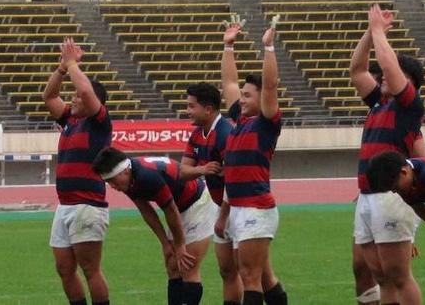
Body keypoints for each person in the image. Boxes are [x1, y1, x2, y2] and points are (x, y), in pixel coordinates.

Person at [350, 3, 425, 305]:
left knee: (398, 276)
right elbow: (356, 69)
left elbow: (390, 68)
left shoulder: (408, 106)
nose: (381, 75)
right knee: (379, 275)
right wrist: (370, 33)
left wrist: (380, 32)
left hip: (390, 197)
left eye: (390, 73)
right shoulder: (379, 104)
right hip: (368, 195)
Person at [219, 17, 288, 305]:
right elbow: (229, 83)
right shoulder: (241, 120)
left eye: (248, 96)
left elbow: (270, 86)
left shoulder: (265, 123)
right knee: (261, 276)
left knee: (249, 276)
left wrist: (269, 49)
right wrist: (228, 46)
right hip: (239, 208)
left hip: (255, 209)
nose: (242, 99)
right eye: (243, 96)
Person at [93, 147, 213, 305]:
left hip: (197, 202)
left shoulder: (146, 176)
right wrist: (165, 243)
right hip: (179, 208)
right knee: (172, 265)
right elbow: (146, 210)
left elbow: (170, 210)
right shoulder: (129, 180)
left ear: (125, 171)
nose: (112, 186)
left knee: (187, 266)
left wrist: (180, 245)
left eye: (112, 180)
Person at [43, 37, 113, 305]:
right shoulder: (71, 121)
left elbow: (84, 91)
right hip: (66, 205)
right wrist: (62, 68)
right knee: (64, 268)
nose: (72, 99)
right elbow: (48, 96)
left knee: (90, 269)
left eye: (76, 97)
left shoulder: (99, 123)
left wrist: (73, 64)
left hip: (88, 204)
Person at [181, 80, 244, 305]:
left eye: (191, 106)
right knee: (227, 270)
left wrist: (224, 216)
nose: (187, 111)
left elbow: (233, 179)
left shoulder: (226, 133)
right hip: (222, 208)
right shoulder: (198, 134)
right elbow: (183, 171)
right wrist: (202, 169)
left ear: (208, 109)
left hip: (239, 208)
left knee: (251, 273)